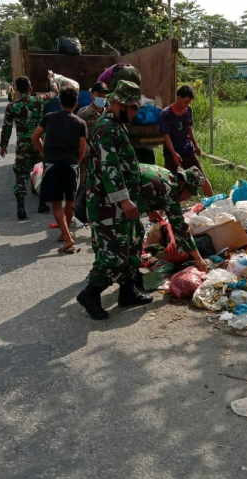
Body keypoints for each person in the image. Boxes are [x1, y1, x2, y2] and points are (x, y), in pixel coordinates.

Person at [77, 80, 150, 320]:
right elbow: (110, 169)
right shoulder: (106, 128)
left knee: (131, 248)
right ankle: (90, 293)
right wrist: (124, 201)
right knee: (112, 255)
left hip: (119, 205)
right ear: (119, 104)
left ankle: (127, 292)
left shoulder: (117, 125)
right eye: (132, 108)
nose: (135, 113)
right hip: (107, 206)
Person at [31, 86, 87, 254]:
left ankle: (68, 237)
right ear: (75, 103)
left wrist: (43, 152)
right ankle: (66, 234)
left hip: (52, 165)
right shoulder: (80, 123)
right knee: (70, 203)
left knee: (56, 204)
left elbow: (35, 136)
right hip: (71, 166)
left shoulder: (48, 118)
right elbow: (83, 147)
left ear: (59, 101)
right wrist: (77, 161)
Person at [137, 164, 212, 273]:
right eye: (190, 193)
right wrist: (198, 259)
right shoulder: (170, 191)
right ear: (183, 185)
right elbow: (181, 229)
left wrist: (150, 210)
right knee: (131, 238)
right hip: (114, 195)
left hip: (120, 186)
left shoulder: (168, 175)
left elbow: (144, 189)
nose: (188, 198)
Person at [0, 76, 47, 219]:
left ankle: (21, 208)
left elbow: (6, 127)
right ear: (30, 87)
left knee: (20, 176)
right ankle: (42, 204)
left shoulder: (12, 107)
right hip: (39, 143)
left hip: (23, 145)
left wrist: (3, 145)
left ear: (16, 89)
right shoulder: (39, 101)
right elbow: (53, 94)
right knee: (42, 172)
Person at [160, 85, 209, 186]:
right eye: (185, 102)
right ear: (178, 97)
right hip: (171, 154)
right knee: (173, 183)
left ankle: (214, 200)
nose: (187, 105)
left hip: (187, 150)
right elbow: (166, 136)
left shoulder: (188, 110)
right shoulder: (166, 114)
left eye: (189, 102)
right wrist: (174, 153)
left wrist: (196, 145)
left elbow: (189, 128)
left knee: (202, 179)